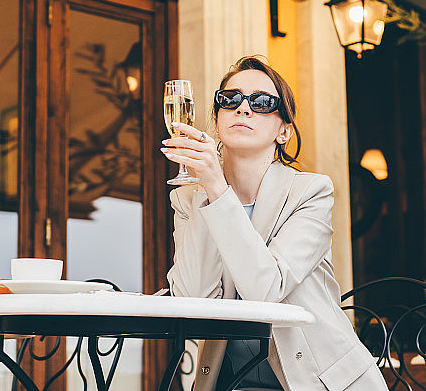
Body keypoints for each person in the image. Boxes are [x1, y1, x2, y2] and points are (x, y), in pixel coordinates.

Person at [162, 56, 388, 391]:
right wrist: (209, 192)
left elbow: (266, 291)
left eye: (263, 102)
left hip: (317, 382)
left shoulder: (311, 192)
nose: (244, 109)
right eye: (231, 99)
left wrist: (217, 188)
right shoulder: (189, 199)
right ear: (216, 118)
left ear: (284, 131)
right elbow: (196, 302)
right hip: (233, 384)